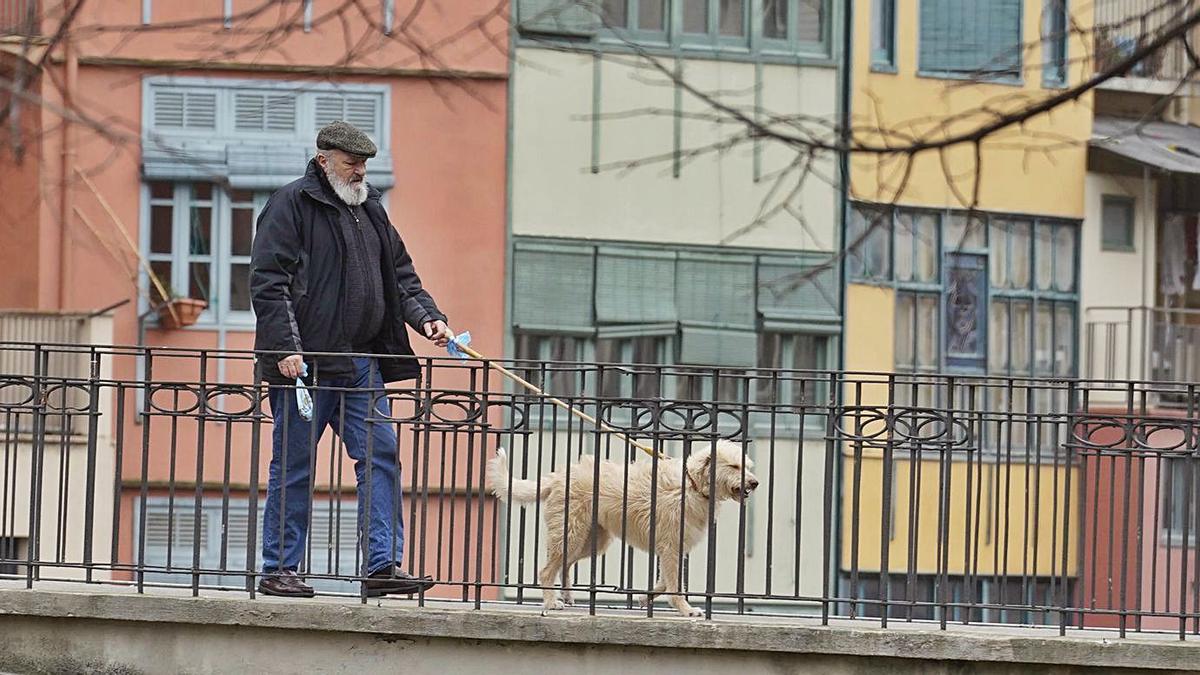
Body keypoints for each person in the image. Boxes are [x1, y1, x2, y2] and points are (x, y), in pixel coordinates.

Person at [249, 120, 453, 598]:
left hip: (360, 363)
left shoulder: (372, 209)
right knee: (294, 464)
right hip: (305, 365)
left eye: (363, 163)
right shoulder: (291, 204)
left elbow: (400, 277)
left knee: (381, 455)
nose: (359, 171)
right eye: (350, 163)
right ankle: (279, 568)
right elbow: (268, 281)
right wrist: (284, 349)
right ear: (324, 161)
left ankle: (382, 564)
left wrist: (428, 318)